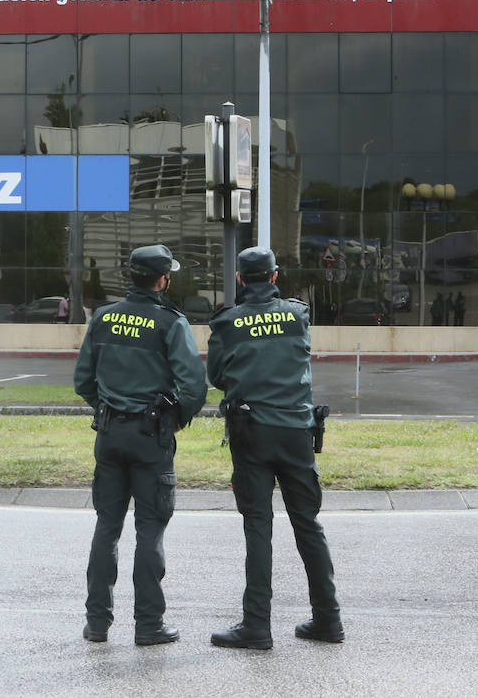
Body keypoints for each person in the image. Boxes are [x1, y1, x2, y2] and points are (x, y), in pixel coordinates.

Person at [206, 246, 342, 650]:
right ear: (275, 276)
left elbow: (216, 376)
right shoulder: (298, 314)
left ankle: (256, 627)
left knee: (258, 528)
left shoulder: (227, 323)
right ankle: (328, 620)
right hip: (298, 431)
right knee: (308, 526)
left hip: (253, 435)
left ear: (240, 279)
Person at [74, 243, 207, 647]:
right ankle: (148, 626)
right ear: (163, 279)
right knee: (150, 531)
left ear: (131, 276)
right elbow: (195, 386)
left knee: (106, 528)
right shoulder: (170, 322)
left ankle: (97, 623)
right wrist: (174, 419)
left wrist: (109, 408)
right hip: (152, 438)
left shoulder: (103, 317)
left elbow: (83, 380)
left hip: (110, 435)